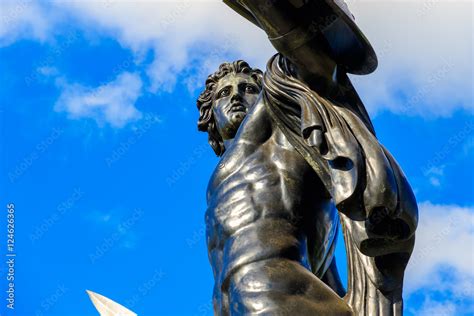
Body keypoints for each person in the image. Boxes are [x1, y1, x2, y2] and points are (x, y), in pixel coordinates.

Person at [197, 1, 418, 315]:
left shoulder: (277, 120)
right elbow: (323, 265)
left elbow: (307, 60)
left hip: (270, 294)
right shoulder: (218, 184)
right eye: (223, 93)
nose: (235, 96)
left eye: (246, 88)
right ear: (210, 118)